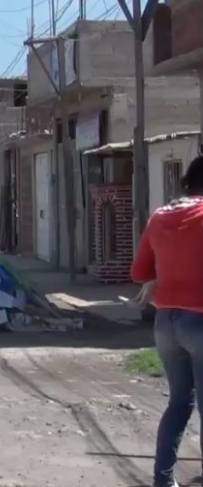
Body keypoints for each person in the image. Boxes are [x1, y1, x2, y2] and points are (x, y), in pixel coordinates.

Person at [131, 155, 203, 487]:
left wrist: (161, 278)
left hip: (166, 323)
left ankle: (163, 481)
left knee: (178, 404)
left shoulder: (161, 216)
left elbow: (138, 272)